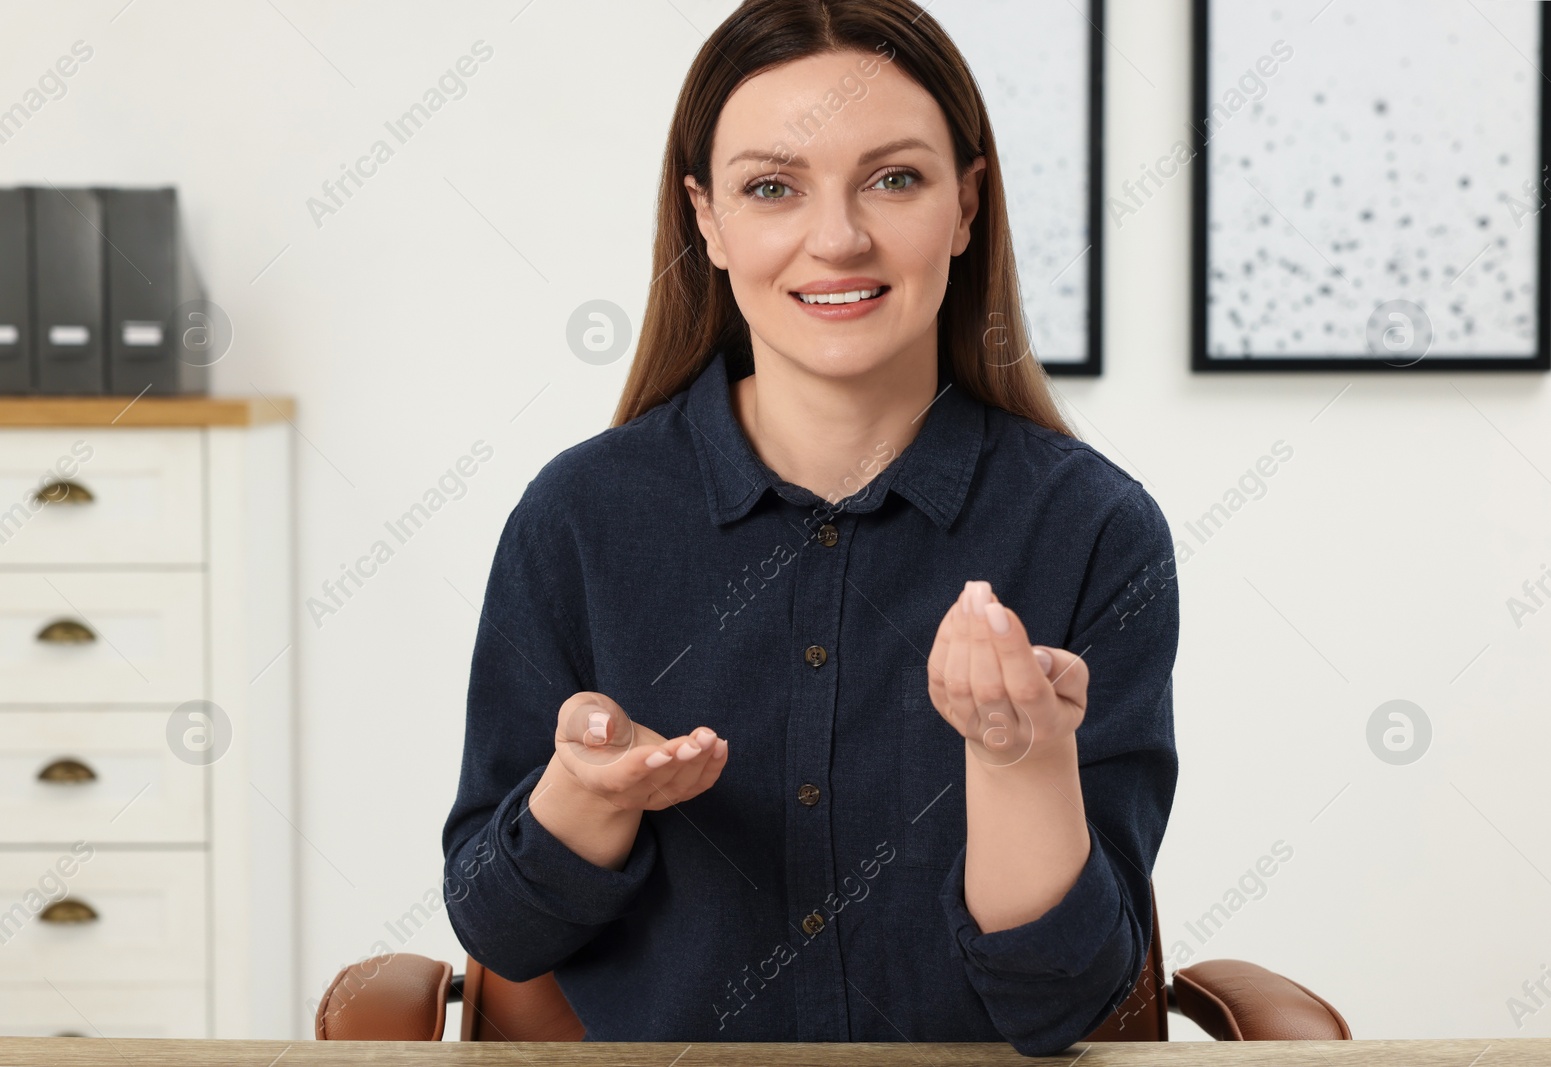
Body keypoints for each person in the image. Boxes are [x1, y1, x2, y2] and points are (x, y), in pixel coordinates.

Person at [442, 0, 1179, 1055]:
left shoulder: (1093, 529)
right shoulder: (578, 517)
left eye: (895, 178)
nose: (836, 237)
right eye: (771, 187)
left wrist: (1022, 761)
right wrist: (587, 797)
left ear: (966, 205)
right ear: (706, 216)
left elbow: (1060, 1004)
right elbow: (501, 930)